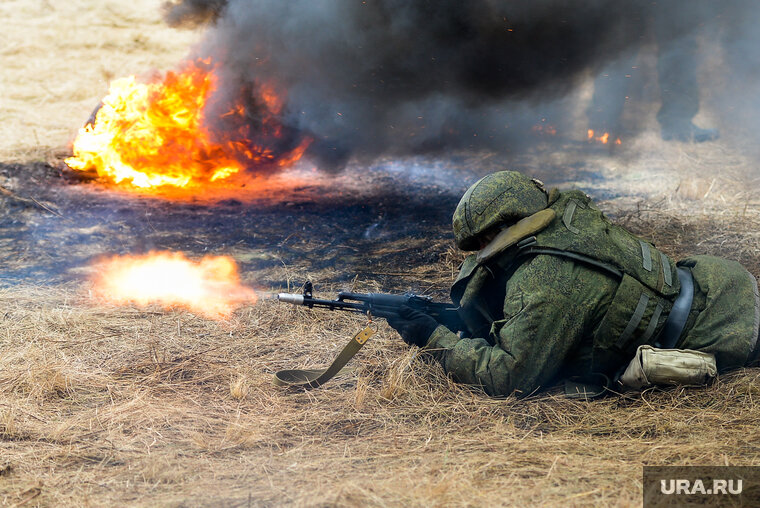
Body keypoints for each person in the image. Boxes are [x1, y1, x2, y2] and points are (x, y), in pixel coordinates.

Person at [387, 171, 759, 397]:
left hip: (723, 326)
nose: (482, 253)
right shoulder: (564, 218)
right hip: (714, 280)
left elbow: (508, 378)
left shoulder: (545, 278)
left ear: (507, 228)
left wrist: (433, 337)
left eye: (484, 242)